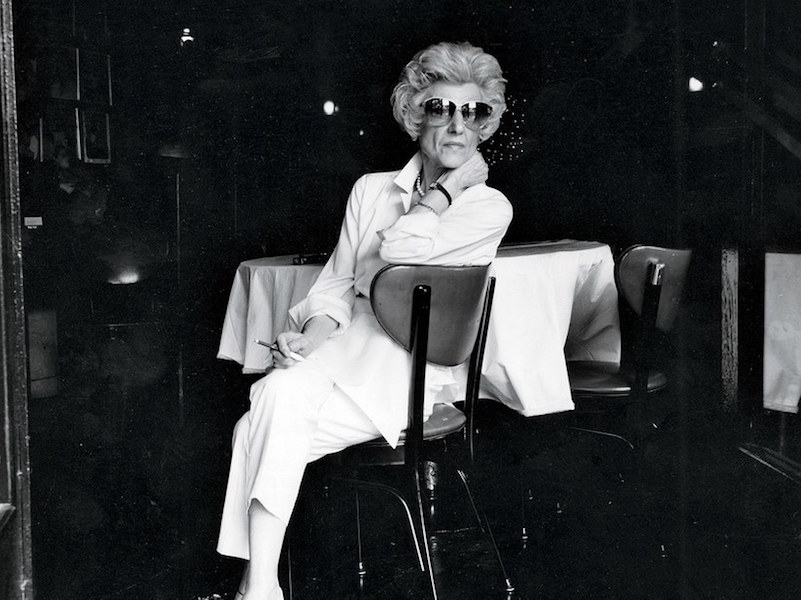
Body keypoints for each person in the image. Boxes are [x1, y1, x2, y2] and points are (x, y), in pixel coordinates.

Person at [217, 41, 513, 600]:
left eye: (471, 112)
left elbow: (401, 251)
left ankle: (256, 587)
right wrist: (305, 339)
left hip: (406, 368)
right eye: (440, 108)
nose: (456, 125)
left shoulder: (489, 207)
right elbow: (334, 286)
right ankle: (259, 589)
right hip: (340, 352)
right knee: (277, 399)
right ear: (413, 115)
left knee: (255, 424)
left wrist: (446, 190)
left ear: (484, 127)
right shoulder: (371, 189)